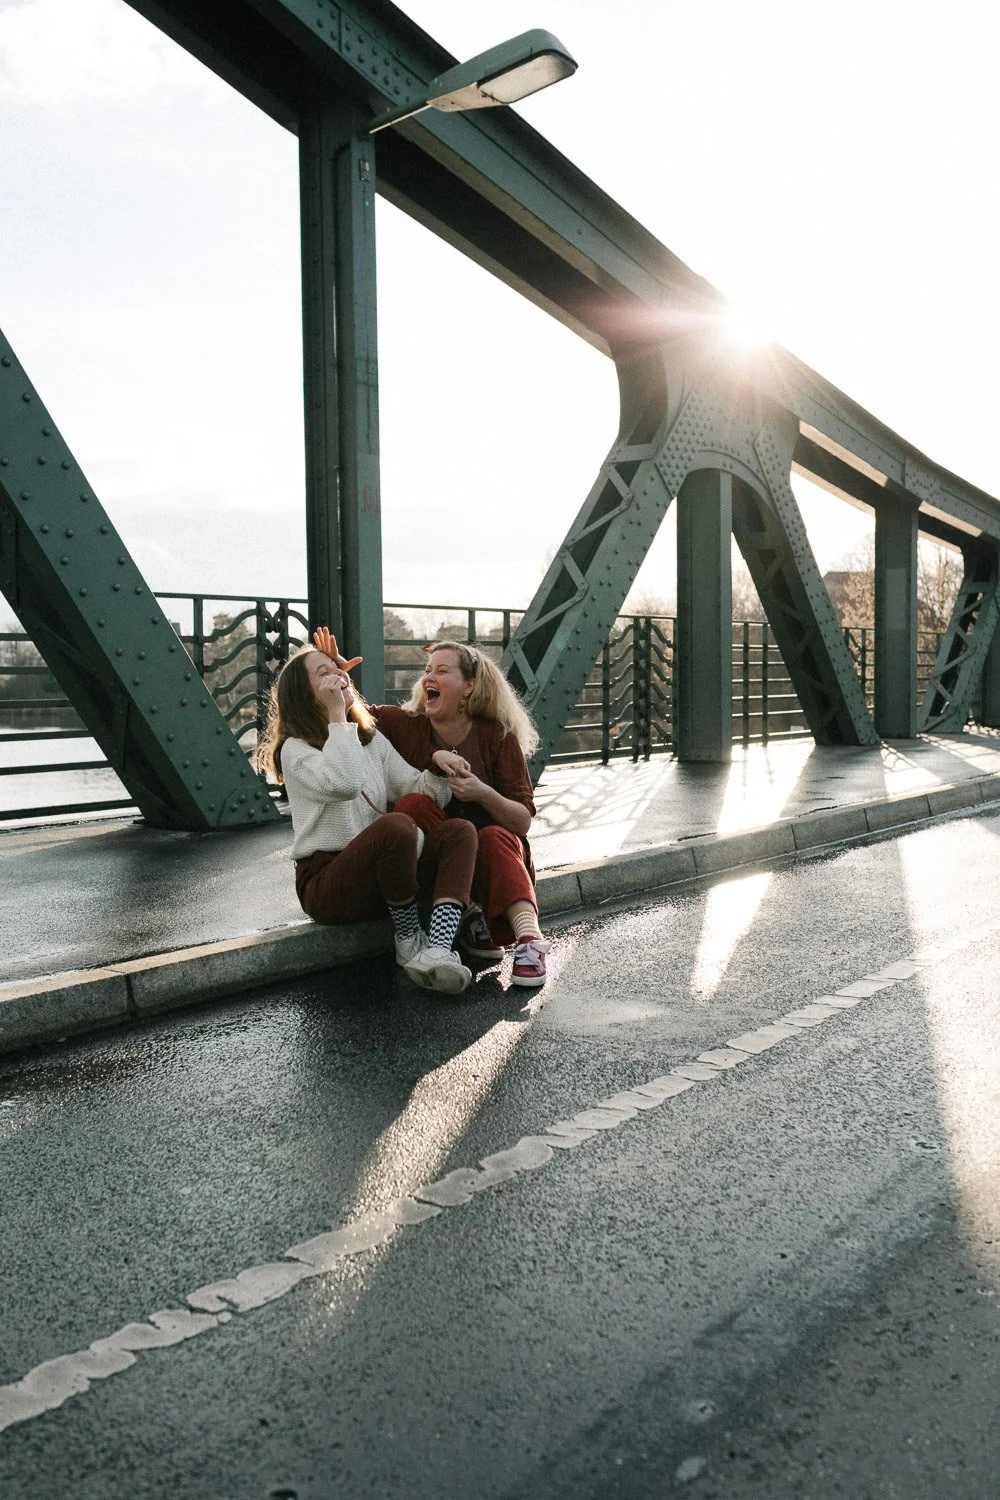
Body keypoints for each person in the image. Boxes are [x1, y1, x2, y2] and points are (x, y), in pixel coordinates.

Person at [312, 627, 551, 988]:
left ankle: (530, 941)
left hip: (494, 861)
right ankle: (469, 913)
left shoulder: (496, 736)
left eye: (442, 670)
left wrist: (483, 793)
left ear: (469, 686)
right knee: (412, 803)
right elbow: (350, 710)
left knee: (493, 836)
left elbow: (522, 820)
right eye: (427, 671)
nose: (429, 677)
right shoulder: (405, 724)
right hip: (433, 862)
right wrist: (334, 671)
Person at [254, 645, 478, 995]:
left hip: (382, 880)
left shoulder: (370, 740)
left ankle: (437, 949)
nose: (338, 676)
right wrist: (336, 714)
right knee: (396, 826)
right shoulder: (296, 749)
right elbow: (344, 784)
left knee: (459, 832)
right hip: (328, 884)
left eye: (337, 669)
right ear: (303, 693)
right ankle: (408, 940)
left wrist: (439, 765)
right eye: (323, 673)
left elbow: (420, 791)